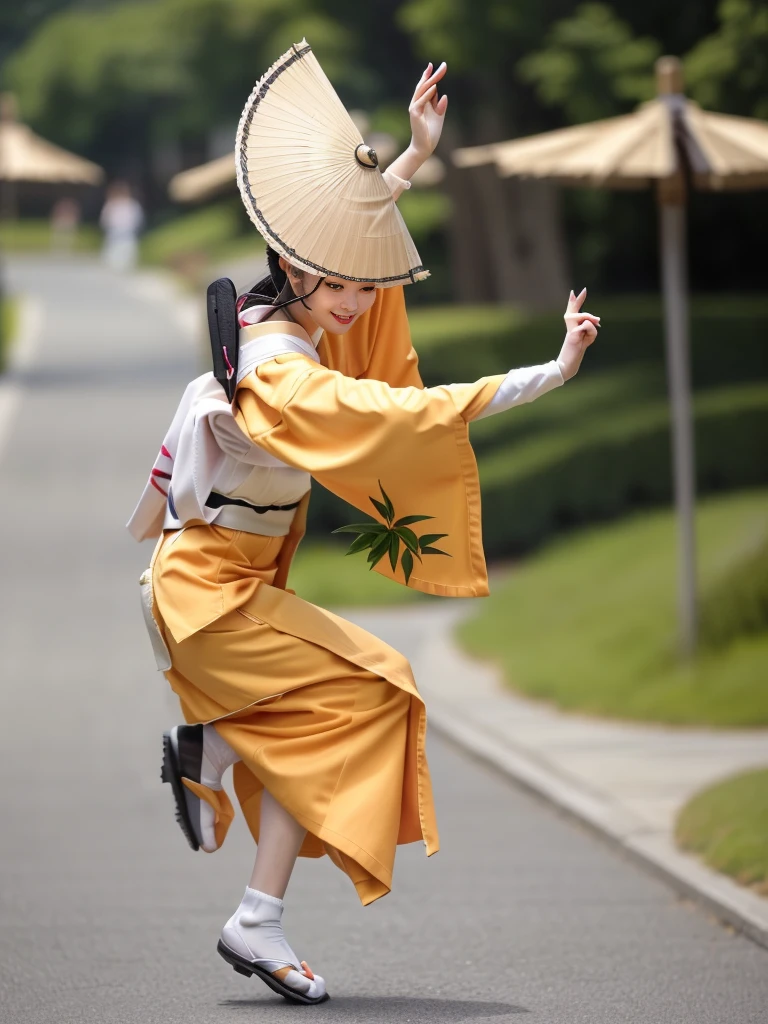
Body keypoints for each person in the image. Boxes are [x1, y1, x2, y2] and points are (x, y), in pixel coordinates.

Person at [128, 42, 599, 1006]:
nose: (360, 303)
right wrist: (544, 377)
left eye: (364, 287)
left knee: (352, 709)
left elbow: (353, 265)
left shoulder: (281, 323)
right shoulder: (284, 373)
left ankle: (227, 789)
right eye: (343, 287)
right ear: (298, 270)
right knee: (376, 692)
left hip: (224, 594)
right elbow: (398, 412)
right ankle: (231, 807)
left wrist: (412, 160)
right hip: (211, 600)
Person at [100, 181, 143, 271]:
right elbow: (106, 217)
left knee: (127, 247)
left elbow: (137, 217)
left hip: (127, 229)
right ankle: (113, 264)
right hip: (114, 229)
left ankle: (126, 264)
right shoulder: (112, 204)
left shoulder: (132, 204)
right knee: (113, 247)